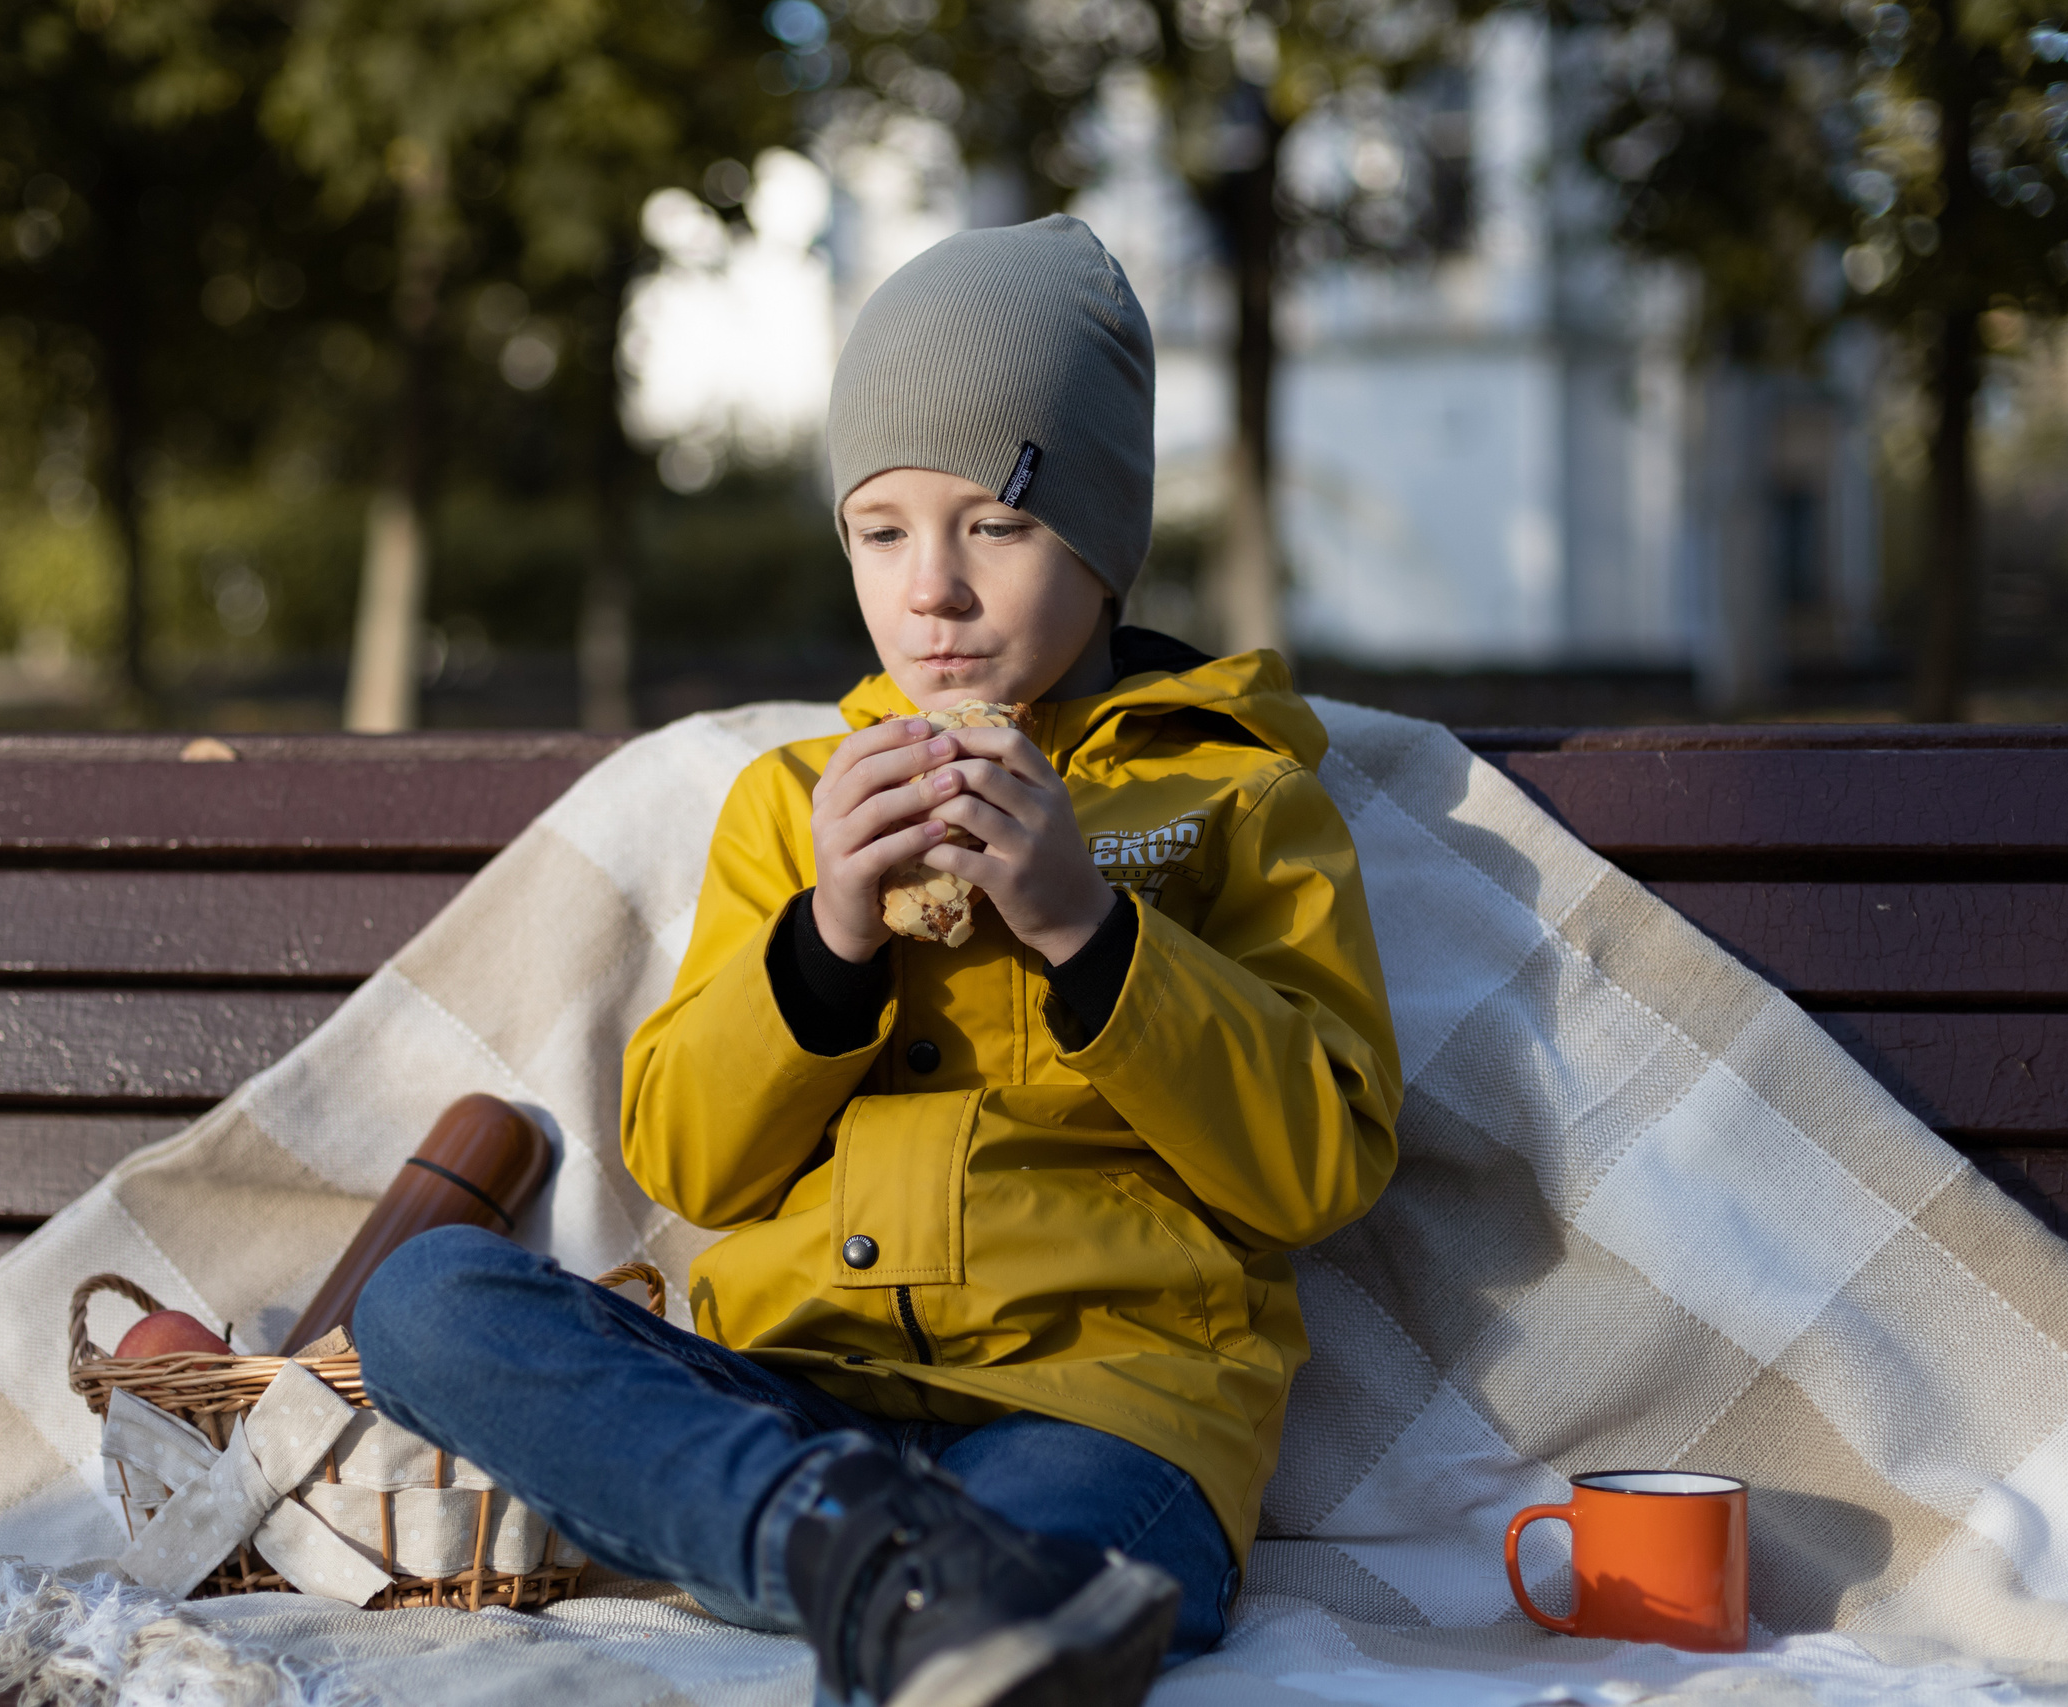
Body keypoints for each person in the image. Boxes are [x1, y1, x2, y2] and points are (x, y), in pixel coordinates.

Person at [354, 214, 1402, 1707]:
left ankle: (881, 1584)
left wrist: (1086, 930)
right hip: (795, 1396)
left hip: (1106, 1415)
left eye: (998, 523)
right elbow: (691, 1163)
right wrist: (828, 939)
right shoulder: (794, 806)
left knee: (1031, 1573)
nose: (935, 591)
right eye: (882, 530)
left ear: (1105, 541)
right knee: (429, 1302)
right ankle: (862, 1558)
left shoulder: (1236, 800)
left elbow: (1321, 1166)